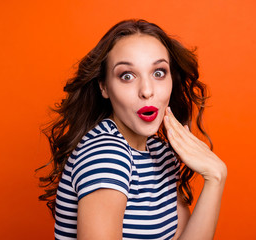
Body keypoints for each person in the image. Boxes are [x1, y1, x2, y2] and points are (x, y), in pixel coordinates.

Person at [38, 19, 227, 240]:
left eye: (158, 73)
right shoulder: (106, 155)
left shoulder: (160, 152)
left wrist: (216, 177)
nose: (147, 91)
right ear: (104, 87)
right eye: (127, 76)